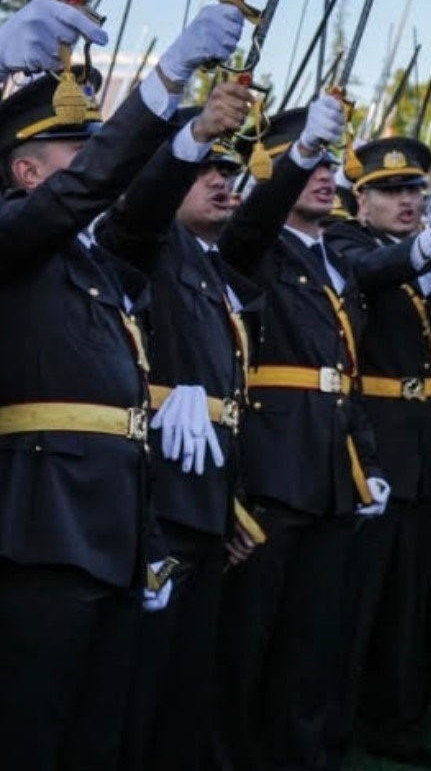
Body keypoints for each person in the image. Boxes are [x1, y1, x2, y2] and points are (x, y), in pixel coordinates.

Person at [0, 0, 241, 768]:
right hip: (41, 525)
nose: (95, 164)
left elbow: (134, 212)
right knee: (35, 731)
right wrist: (164, 76)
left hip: (113, 526)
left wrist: (193, 134)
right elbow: (90, 193)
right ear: (25, 170)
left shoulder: (90, 260)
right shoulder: (15, 233)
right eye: (77, 150)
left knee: (96, 735)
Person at [216, 96, 392, 770]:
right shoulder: (255, 244)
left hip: (329, 466)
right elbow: (252, 220)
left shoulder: (334, 261)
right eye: (309, 164)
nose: (325, 176)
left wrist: (364, 459)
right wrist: (294, 161)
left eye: (328, 165)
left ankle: (303, 755)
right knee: (249, 637)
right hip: (271, 462)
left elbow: (344, 373)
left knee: (314, 638)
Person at [94, 88, 265, 769]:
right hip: (156, 490)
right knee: (143, 672)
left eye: (229, 173)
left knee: (187, 672)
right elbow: (134, 218)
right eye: (205, 172)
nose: (223, 182)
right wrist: (185, 138)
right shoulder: (146, 242)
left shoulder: (209, 266)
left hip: (206, 489)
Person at [325, 136, 431, 766]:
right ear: (360, 201)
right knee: (355, 602)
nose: (408, 200)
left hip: (420, 441)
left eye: (415, 189)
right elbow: (370, 275)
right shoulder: (346, 244)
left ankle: (398, 723)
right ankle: (335, 727)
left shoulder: (417, 256)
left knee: (408, 601)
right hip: (372, 442)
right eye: (392, 191)